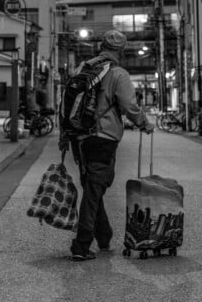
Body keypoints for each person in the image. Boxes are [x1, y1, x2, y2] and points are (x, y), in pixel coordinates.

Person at [59, 30, 154, 261]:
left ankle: (104, 236)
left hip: (78, 138)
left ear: (100, 46)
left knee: (93, 187)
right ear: (121, 51)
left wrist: (65, 134)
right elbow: (129, 106)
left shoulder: (83, 68)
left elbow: (66, 101)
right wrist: (144, 123)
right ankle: (81, 245)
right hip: (103, 139)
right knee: (94, 190)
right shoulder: (118, 73)